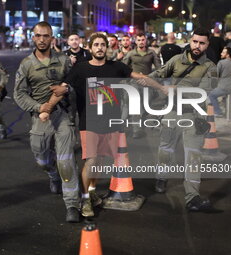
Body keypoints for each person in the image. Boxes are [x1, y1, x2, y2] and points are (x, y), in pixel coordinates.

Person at [64, 32, 163, 217]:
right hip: (89, 122)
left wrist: (162, 88)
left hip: (110, 122)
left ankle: (91, 194)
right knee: (91, 160)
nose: (100, 48)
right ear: (90, 48)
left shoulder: (116, 67)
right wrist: (48, 105)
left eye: (103, 45)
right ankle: (84, 200)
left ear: (107, 48)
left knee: (100, 161)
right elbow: (65, 86)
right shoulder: (80, 69)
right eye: (96, 45)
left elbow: (139, 77)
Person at [14, 21, 80, 223]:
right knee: (42, 160)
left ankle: (72, 204)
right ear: (33, 38)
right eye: (38, 36)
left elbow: (75, 83)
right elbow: (19, 94)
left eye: (46, 36)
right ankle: (52, 175)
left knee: (66, 161)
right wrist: (39, 108)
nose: (42, 40)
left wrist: (67, 90)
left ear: (52, 38)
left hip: (63, 115)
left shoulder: (63, 60)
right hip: (41, 118)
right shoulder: (26, 64)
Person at [148, 28, 218, 212]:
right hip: (172, 112)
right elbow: (158, 74)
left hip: (194, 116)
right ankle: (161, 177)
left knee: (193, 155)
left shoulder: (211, 67)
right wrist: (140, 80)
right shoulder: (176, 60)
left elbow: (203, 93)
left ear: (207, 45)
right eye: (195, 41)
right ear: (190, 41)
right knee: (166, 148)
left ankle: (192, 196)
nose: (197, 46)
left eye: (202, 43)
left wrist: (174, 90)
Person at [123, 33, 161, 138]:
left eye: (142, 40)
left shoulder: (151, 53)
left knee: (145, 105)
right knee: (136, 102)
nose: (141, 42)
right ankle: (136, 129)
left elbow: (159, 69)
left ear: (146, 41)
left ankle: (142, 123)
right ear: (135, 41)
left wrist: (149, 78)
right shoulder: (131, 54)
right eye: (139, 40)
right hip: (134, 83)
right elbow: (123, 68)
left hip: (148, 83)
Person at [208, 47, 231, 116]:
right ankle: (230, 112)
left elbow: (215, 75)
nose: (221, 53)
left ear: (228, 55)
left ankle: (218, 112)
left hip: (224, 87)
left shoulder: (221, 63)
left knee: (212, 95)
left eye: (223, 52)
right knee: (229, 96)